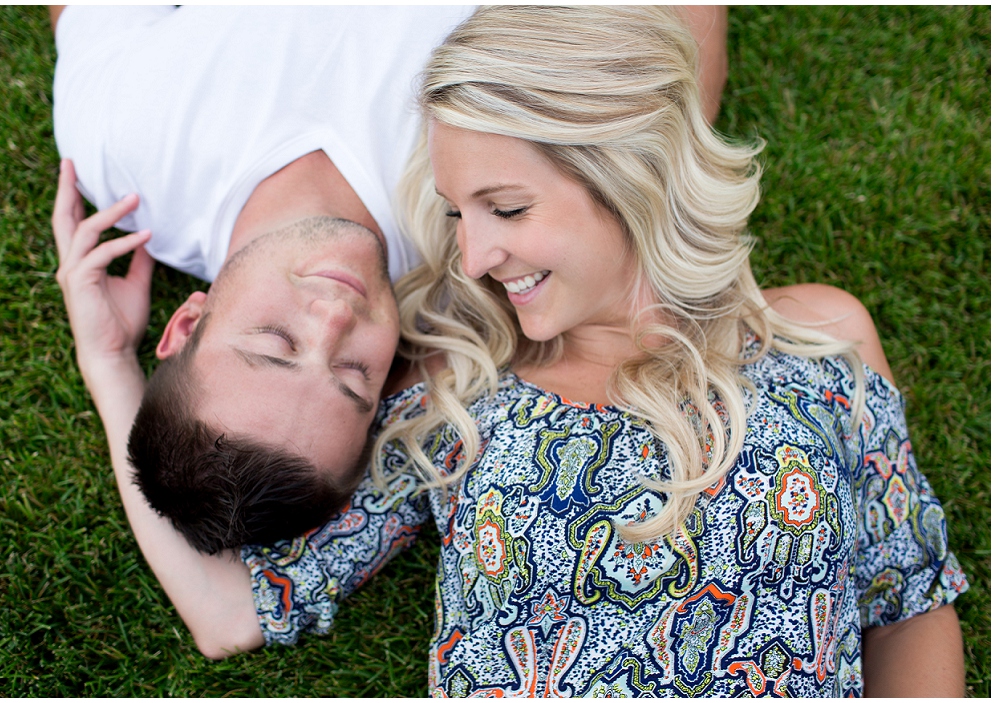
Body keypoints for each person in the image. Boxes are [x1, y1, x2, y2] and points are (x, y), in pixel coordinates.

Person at [235, 6, 967, 696]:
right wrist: (113, 361)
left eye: (508, 207)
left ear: (626, 172)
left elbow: (907, 600)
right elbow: (247, 604)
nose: (476, 255)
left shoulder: (819, 341)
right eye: (459, 213)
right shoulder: (462, 384)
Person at [49, 4, 730, 656]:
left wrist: (106, 355)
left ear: (188, 319)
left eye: (276, 343)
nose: (336, 319)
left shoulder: (121, 150)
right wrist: (108, 364)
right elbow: (227, 612)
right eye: (355, 375)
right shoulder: (485, 239)